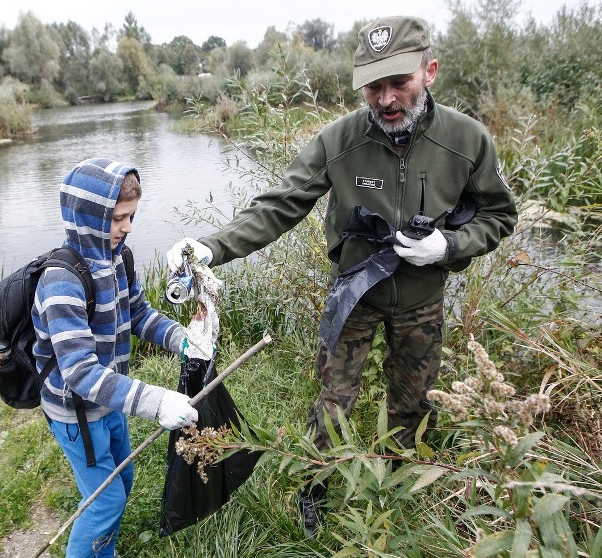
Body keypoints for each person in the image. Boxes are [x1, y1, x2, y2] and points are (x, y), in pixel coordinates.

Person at [166, 15, 517, 537]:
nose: (387, 98)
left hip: (423, 299)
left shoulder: (467, 140)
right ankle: (316, 486)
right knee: (333, 401)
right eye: (374, 86)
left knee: (414, 401)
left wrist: (449, 246)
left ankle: (400, 486)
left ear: (431, 71)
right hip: (354, 295)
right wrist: (210, 248)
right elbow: (278, 206)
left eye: (400, 81)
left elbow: (500, 215)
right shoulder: (338, 142)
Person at [33, 158, 198, 557]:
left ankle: (100, 549)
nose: (126, 227)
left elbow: (138, 313)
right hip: (77, 410)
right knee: (105, 502)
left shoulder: (119, 257)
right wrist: (156, 401)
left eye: (131, 216)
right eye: (117, 218)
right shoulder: (61, 281)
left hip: (112, 400)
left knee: (121, 483)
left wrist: (181, 338)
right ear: (86, 217)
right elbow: (81, 373)